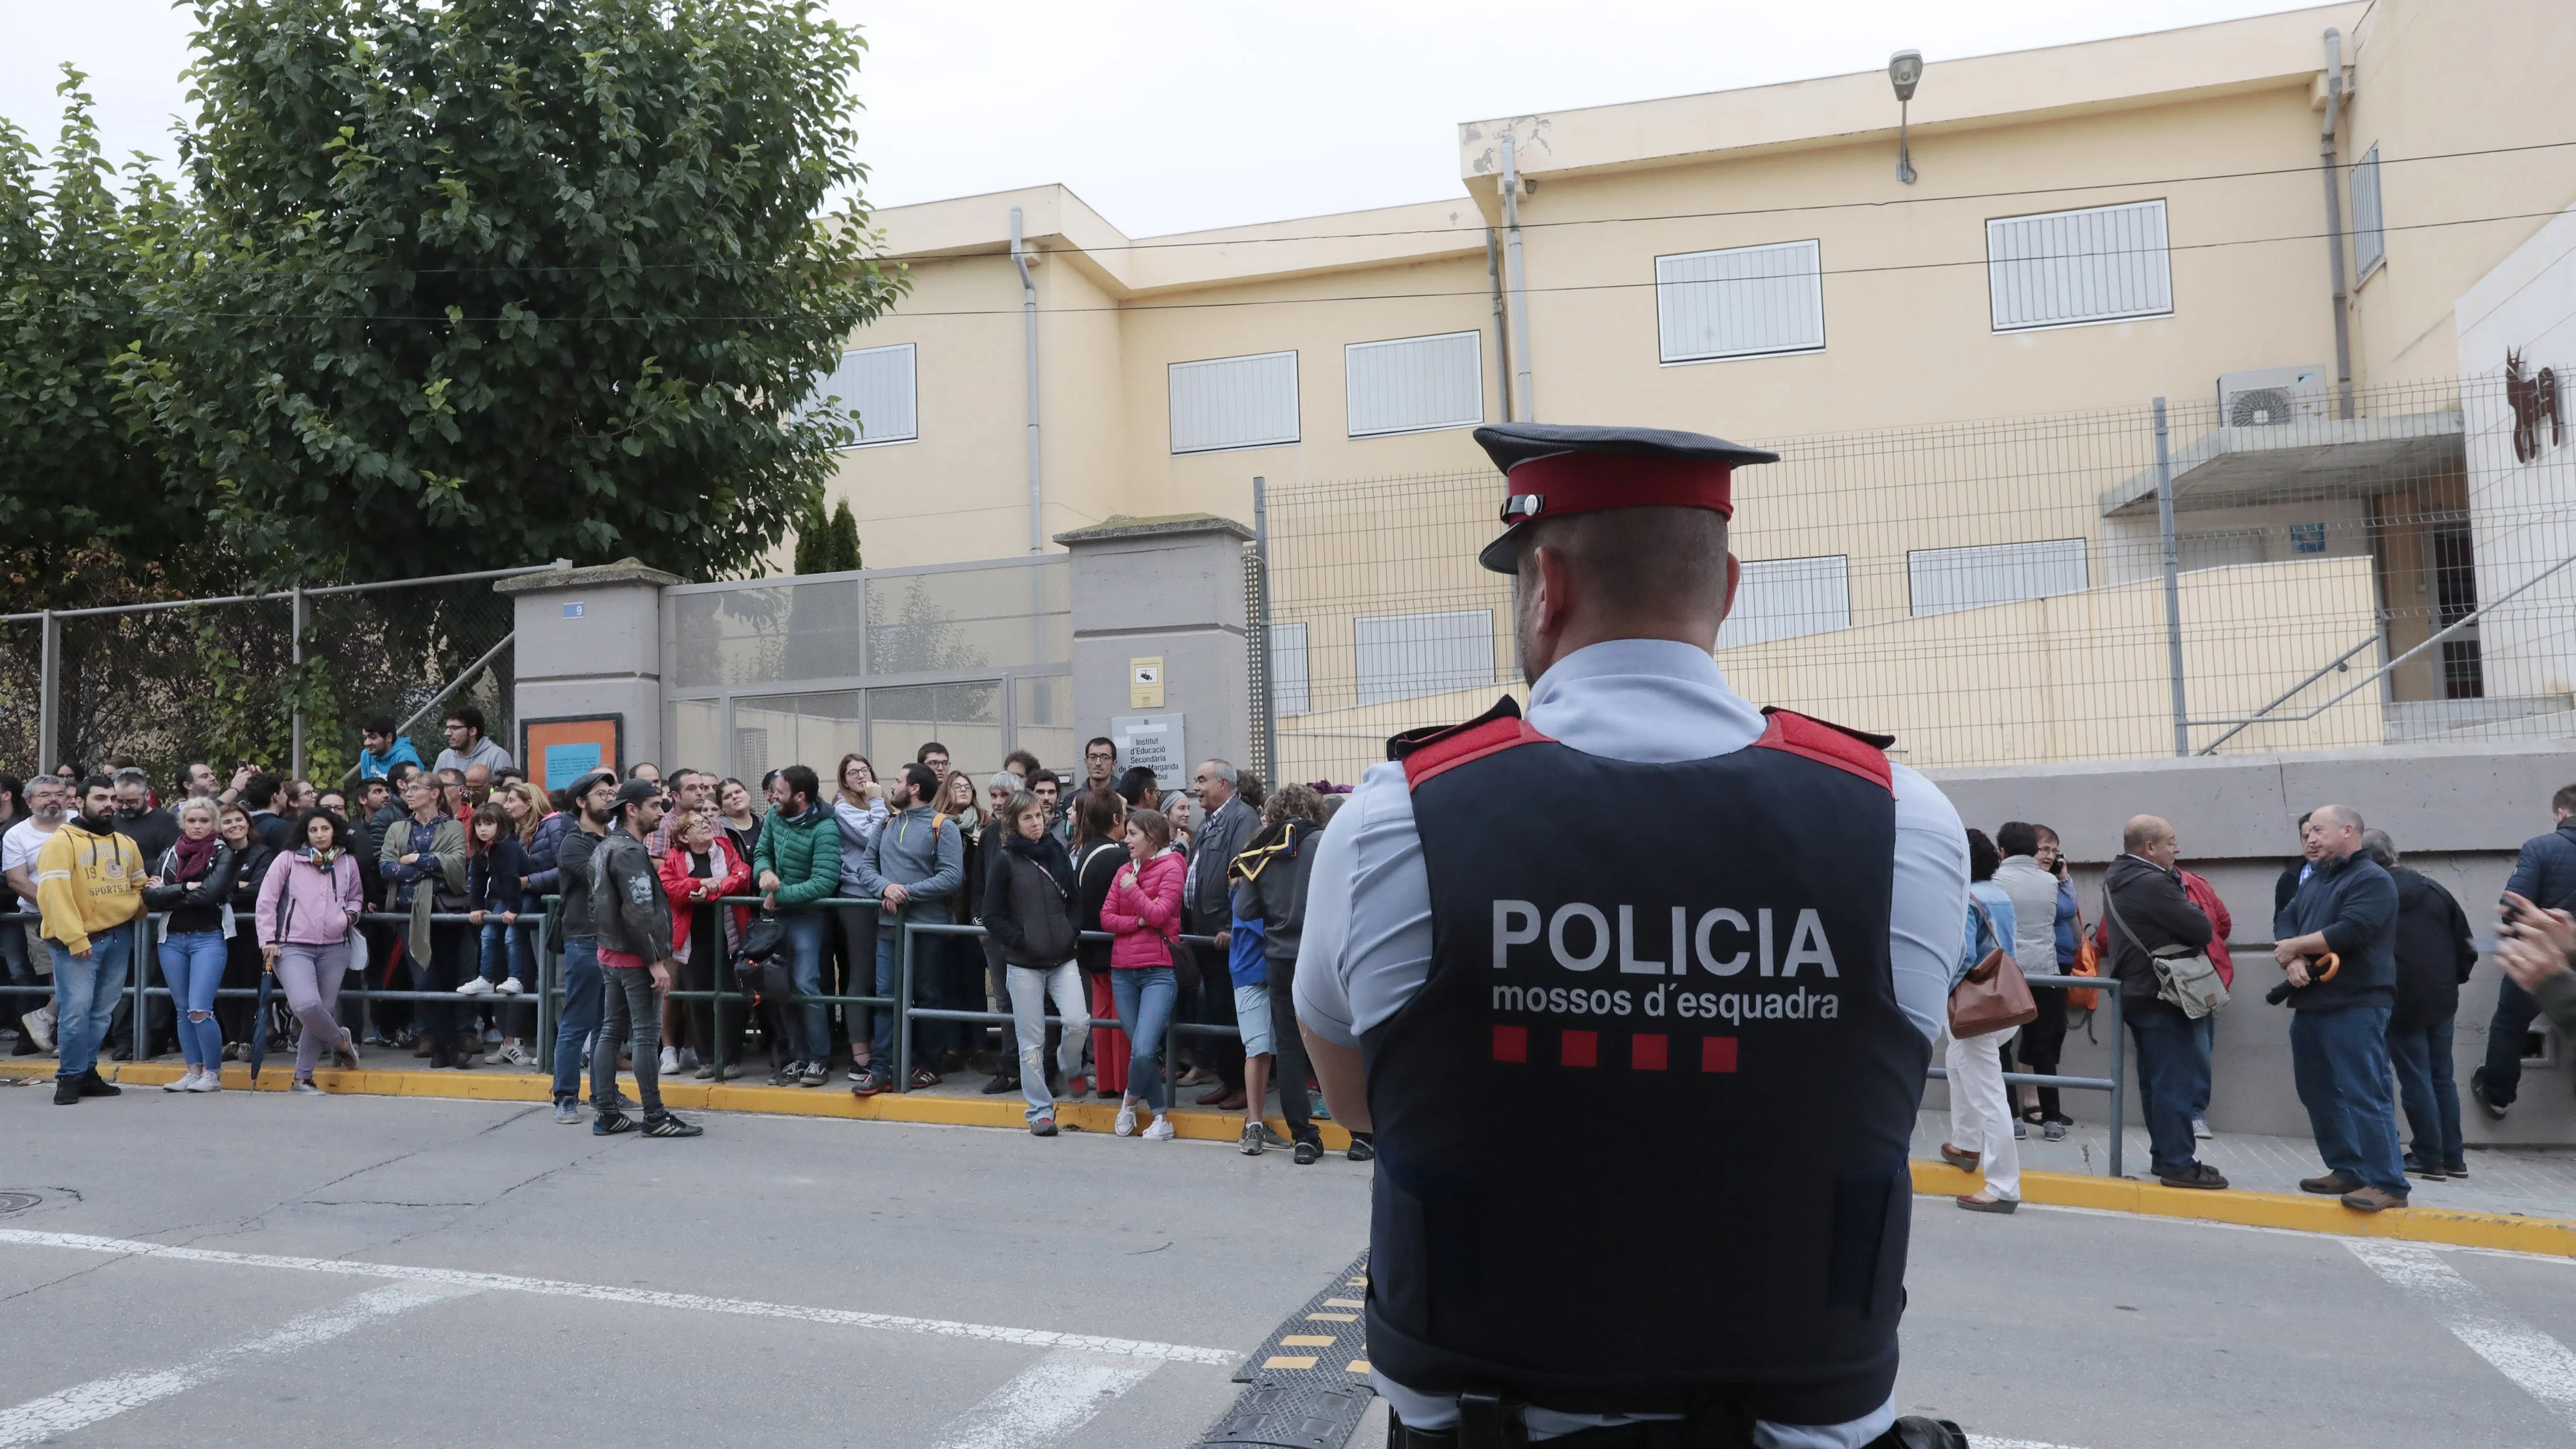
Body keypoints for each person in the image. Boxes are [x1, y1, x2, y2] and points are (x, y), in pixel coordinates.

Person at [1293, 422, 1973, 1449]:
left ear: (1543, 590)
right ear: (1726, 586)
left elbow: (1359, 1098)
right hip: (1796, 1414)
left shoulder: (1395, 818)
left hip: (1481, 1419)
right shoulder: (1900, 821)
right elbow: (1853, 1079)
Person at [2272, 804, 2408, 1213]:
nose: (2310, 838)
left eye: (2318, 830)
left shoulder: (2372, 879)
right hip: (2313, 1004)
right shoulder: (2314, 880)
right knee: (2315, 1089)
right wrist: (2292, 958)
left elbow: (2352, 930)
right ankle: (2347, 1167)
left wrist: (2295, 946)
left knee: (2366, 1092)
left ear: (2348, 831)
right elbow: (2286, 919)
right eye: (2307, 832)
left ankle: (2388, 1183)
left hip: (2356, 1004)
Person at [2101, 815, 2225, 1191]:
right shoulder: (2153, 882)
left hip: (2138, 992)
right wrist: (2191, 909)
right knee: (2174, 1080)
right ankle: (2178, 1163)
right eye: (2171, 842)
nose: (2178, 849)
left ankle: (2165, 1156)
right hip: (2163, 993)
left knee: (2155, 1081)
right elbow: (2204, 928)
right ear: (2149, 847)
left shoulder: (2118, 877)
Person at [588, 778, 702, 1137]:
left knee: (610, 1031)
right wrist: (655, 961)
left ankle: (606, 1111)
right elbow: (639, 910)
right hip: (635, 957)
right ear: (631, 809)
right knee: (646, 1033)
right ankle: (655, 1115)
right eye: (654, 805)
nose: (661, 812)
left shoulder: (607, 846)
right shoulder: (630, 852)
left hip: (611, 952)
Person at [2367, 830, 2475, 1182]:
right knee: (2442, 1077)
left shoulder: (2374, 895)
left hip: (2400, 998)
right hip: (2442, 997)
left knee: (2416, 1079)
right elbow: (2467, 946)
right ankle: (2453, 1157)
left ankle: (2429, 1157)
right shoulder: (2436, 890)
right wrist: (2452, 979)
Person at [1228, 783, 1329, 1159]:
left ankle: (1304, 1138)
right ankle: (1360, 1136)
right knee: (1337, 1044)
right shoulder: (1325, 842)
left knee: (1288, 1049)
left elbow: (1244, 912)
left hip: (1280, 960)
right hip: (1321, 959)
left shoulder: (1263, 850)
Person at [980, 789, 1089, 1136]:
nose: (1036, 823)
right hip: (1024, 965)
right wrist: (1020, 940)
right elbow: (991, 916)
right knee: (1031, 1042)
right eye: (1027, 818)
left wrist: (1070, 931)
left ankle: (1069, 1066)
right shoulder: (1004, 862)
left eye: (1039, 816)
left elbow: (1075, 901)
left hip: (1062, 958)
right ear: (1013, 823)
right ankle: (1040, 1112)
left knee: (1077, 1021)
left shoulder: (1057, 851)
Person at [849, 762, 961, 1096]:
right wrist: (886, 888)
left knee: (928, 997)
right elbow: (866, 868)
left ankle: (928, 1066)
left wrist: (907, 892)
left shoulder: (944, 826)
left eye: (897, 781)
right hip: (889, 928)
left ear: (913, 789)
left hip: (927, 928)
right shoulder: (886, 822)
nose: (891, 786)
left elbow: (952, 876)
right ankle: (882, 1068)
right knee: (887, 999)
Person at [35, 776, 146, 1105]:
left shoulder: (127, 843)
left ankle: (87, 1071)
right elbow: (54, 895)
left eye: (112, 798)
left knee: (101, 1014)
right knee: (75, 1012)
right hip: (77, 944)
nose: (109, 804)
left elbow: (138, 887)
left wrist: (145, 901)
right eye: (100, 798)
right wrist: (75, 938)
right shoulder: (60, 842)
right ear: (79, 802)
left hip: (118, 937)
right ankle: (69, 1077)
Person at [2472, 784, 2576, 1122]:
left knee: (2510, 1023)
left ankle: (2498, 1097)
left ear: (2561, 812)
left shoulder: (2541, 848)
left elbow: (2511, 905)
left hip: (2541, 955)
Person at [255, 809, 366, 1093]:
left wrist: (348, 918)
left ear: (335, 831)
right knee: (306, 1007)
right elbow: (266, 900)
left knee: (323, 1010)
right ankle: (341, 1042)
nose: (319, 835)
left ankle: (302, 1078)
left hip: (335, 947)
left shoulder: (348, 863)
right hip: (291, 945)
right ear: (305, 833)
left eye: (325, 829)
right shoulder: (289, 859)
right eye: (313, 830)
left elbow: (356, 898)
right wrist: (267, 939)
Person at [1942, 830, 2020, 1213]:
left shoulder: (1965, 900)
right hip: (2002, 1005)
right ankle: (1965, 1144)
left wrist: (1941, 988)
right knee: (1957, 1064)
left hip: (1975, 1010)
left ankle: (2004, 1186)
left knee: (1989, 1095)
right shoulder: (2000, 895)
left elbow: (1963, 958)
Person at [532, 771, 617, 1122]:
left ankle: (603, 1093)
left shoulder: (613, 838)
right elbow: (600, 877)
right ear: (581, 802)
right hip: (584, 938)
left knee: (606, 1023)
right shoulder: (574, 841)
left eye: (612, 793)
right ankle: (565, 1095)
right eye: (601, 794)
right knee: (577, 1021)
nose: (609, 799)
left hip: (613, 939)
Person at [140, 798, 241, 1092]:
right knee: (183, 1010)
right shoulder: (169, 853)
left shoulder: (223, 853)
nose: (197, 826)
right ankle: (193, 1070)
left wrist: (169, 894)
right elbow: (150, 898)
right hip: (171, 938)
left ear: (214, 824)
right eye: (192, 821)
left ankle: (213, 1073)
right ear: (182, 823)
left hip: (208, 936)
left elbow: (210, 894)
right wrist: (184, 888)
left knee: (199, 1009)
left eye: (204, 821)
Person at [753, 764, 843, 1088]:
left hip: (807, 916)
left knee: (807, 984)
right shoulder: (775, 817)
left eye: (779, 791)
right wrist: (765, 875)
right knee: (780, 986)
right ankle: (797, 1057)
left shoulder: (826, 828)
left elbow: (824, 882)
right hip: (775, 914)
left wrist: (781, 895)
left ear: (801, 796)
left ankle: (819, 1059)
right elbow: (761, 853)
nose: (773, 796)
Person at [1101, 805, 1185, 1141]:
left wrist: (1131, 889)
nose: (1126, 839)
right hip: (1122, 971)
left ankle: (1130, 1103)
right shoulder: (1124, 869)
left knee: (1144, 1049)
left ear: (1151, 838)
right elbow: (1106, 918)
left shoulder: (1172, 867)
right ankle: (1162, 1118)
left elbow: (1160, 913)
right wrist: (1136, 921)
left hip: (1158, 972)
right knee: (1140, 1047)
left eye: (1133, 834)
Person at [381, 773, 472, 1068]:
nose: (408, 793)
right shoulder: (398, 827)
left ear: (434, 794)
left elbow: (457, 865)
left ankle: (444, 1049)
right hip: (408, 913)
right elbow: (386, 866)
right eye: (407, 789)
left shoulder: (454, 827)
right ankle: (447, 1045)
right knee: (425, 979)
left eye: (416, 788)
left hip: (444, 915)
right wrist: (430, 866)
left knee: (446, 980)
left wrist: (415, 859)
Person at [1181, 758, 1255, 1109]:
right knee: (1217, 1009)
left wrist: (1232, 926)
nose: (1196, 787)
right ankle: (1228, 1080)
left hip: (1225, 936)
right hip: (1205, 936)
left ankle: (1243, 1085)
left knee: (1230, 1012)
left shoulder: (1242, 818)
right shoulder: (1210, 820)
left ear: (1224, 784)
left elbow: (1242, 874)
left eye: (1202, 780)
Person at [659, 805, 750, 1079]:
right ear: (684, 837)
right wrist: (699, 885)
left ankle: (731, 1059)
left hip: (729, 938)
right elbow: (671, 888)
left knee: (733, 1000)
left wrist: (716, 888)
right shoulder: (674, 858)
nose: (705, 825)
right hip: (693, 940)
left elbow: (743, 876)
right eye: (697, 824)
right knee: (697, 1001)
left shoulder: (725, 848)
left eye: (706, 821)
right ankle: (707, 1060)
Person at [1989, 822, 2061, 1144]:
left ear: (2002, 851)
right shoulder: (2050, 882)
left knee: (2003, 1045)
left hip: (2007, 971)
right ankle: (2052, 1120)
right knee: (2043, 1046)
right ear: (2034, 849)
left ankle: (2013, 1118)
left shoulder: (1995, 880)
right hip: (2044, 971)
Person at [1072, 789, 1130, 1102]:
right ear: (1116, 819)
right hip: (1114, 948)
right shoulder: (1117, 855)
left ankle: (1107, 1080)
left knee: (1102, 1015)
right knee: (1120, 1019)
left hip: (1091, 948)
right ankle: (1122, 1082)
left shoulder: (1086, 852)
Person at [4, 776, 66, 1054]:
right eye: (44, 795)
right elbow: (17, 881)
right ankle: (60, 1034)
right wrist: (56, 905)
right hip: (41, 916)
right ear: (29, 802)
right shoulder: (16, 834)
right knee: (57, 975)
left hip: (88, 914)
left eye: (58, 794)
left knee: (82, 974)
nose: (53, 799)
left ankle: (50, 1021)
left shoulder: (78, 824)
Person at [461, 807, 532, 999]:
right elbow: (477, 880)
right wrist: (476, 907)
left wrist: (514, 909)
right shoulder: (481, 849)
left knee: (512, 935)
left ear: (500, 825)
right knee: (488, 934)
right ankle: (485, 978)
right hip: (507, 897)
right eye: (478, 824)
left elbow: (512, 878)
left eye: (489, 824)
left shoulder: (508, 847)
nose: (482, 829)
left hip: (527, 895)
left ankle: (515, 979)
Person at [110, 768, 180, 864]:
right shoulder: (109, 822)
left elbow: (172, 860)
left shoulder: (167, 822)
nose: (125, 807)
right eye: (119, 801)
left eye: (132, 802)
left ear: (147, 795)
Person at [434, 705, 514, 774]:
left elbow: (506, 790)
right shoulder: (445, 757)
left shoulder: (496, 756)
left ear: (472, 731)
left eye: (454, 728)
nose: (447, 733)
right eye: (447, 728)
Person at [240, 773, 298, 853]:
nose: (286, 796)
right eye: (284, 792)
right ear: (276, 797)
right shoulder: (280, 827)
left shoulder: (245, 824)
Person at [358, 717, 422, 780]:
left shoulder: (406, 757)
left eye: (373, 737)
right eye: (365, 738)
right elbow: (366, 787)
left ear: (389, 738)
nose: (367, 743)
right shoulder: (366, 755)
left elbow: (416, 789)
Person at [1071, 737, 1119, 818]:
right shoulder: (1073, 799)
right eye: (1093, 757)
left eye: (1105, 757)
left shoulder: (1124, 797)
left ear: (1114, 764)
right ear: (1086, 762)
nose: (1098, 763)